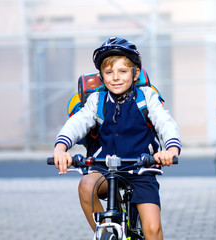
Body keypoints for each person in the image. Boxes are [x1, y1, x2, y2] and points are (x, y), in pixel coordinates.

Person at [52, 37, 181, 240]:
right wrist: (60, 148)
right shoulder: (97, 100)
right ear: (102, 77)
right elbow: (77, 123)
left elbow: (165, 122)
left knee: (153, 230)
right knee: (86, 185)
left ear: (135, 73)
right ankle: (106, 231)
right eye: (109, 72)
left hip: (141, 168)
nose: (115, 78)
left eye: (123, 71)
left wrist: (171, 150)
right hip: (105, 168)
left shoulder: (146, 97)